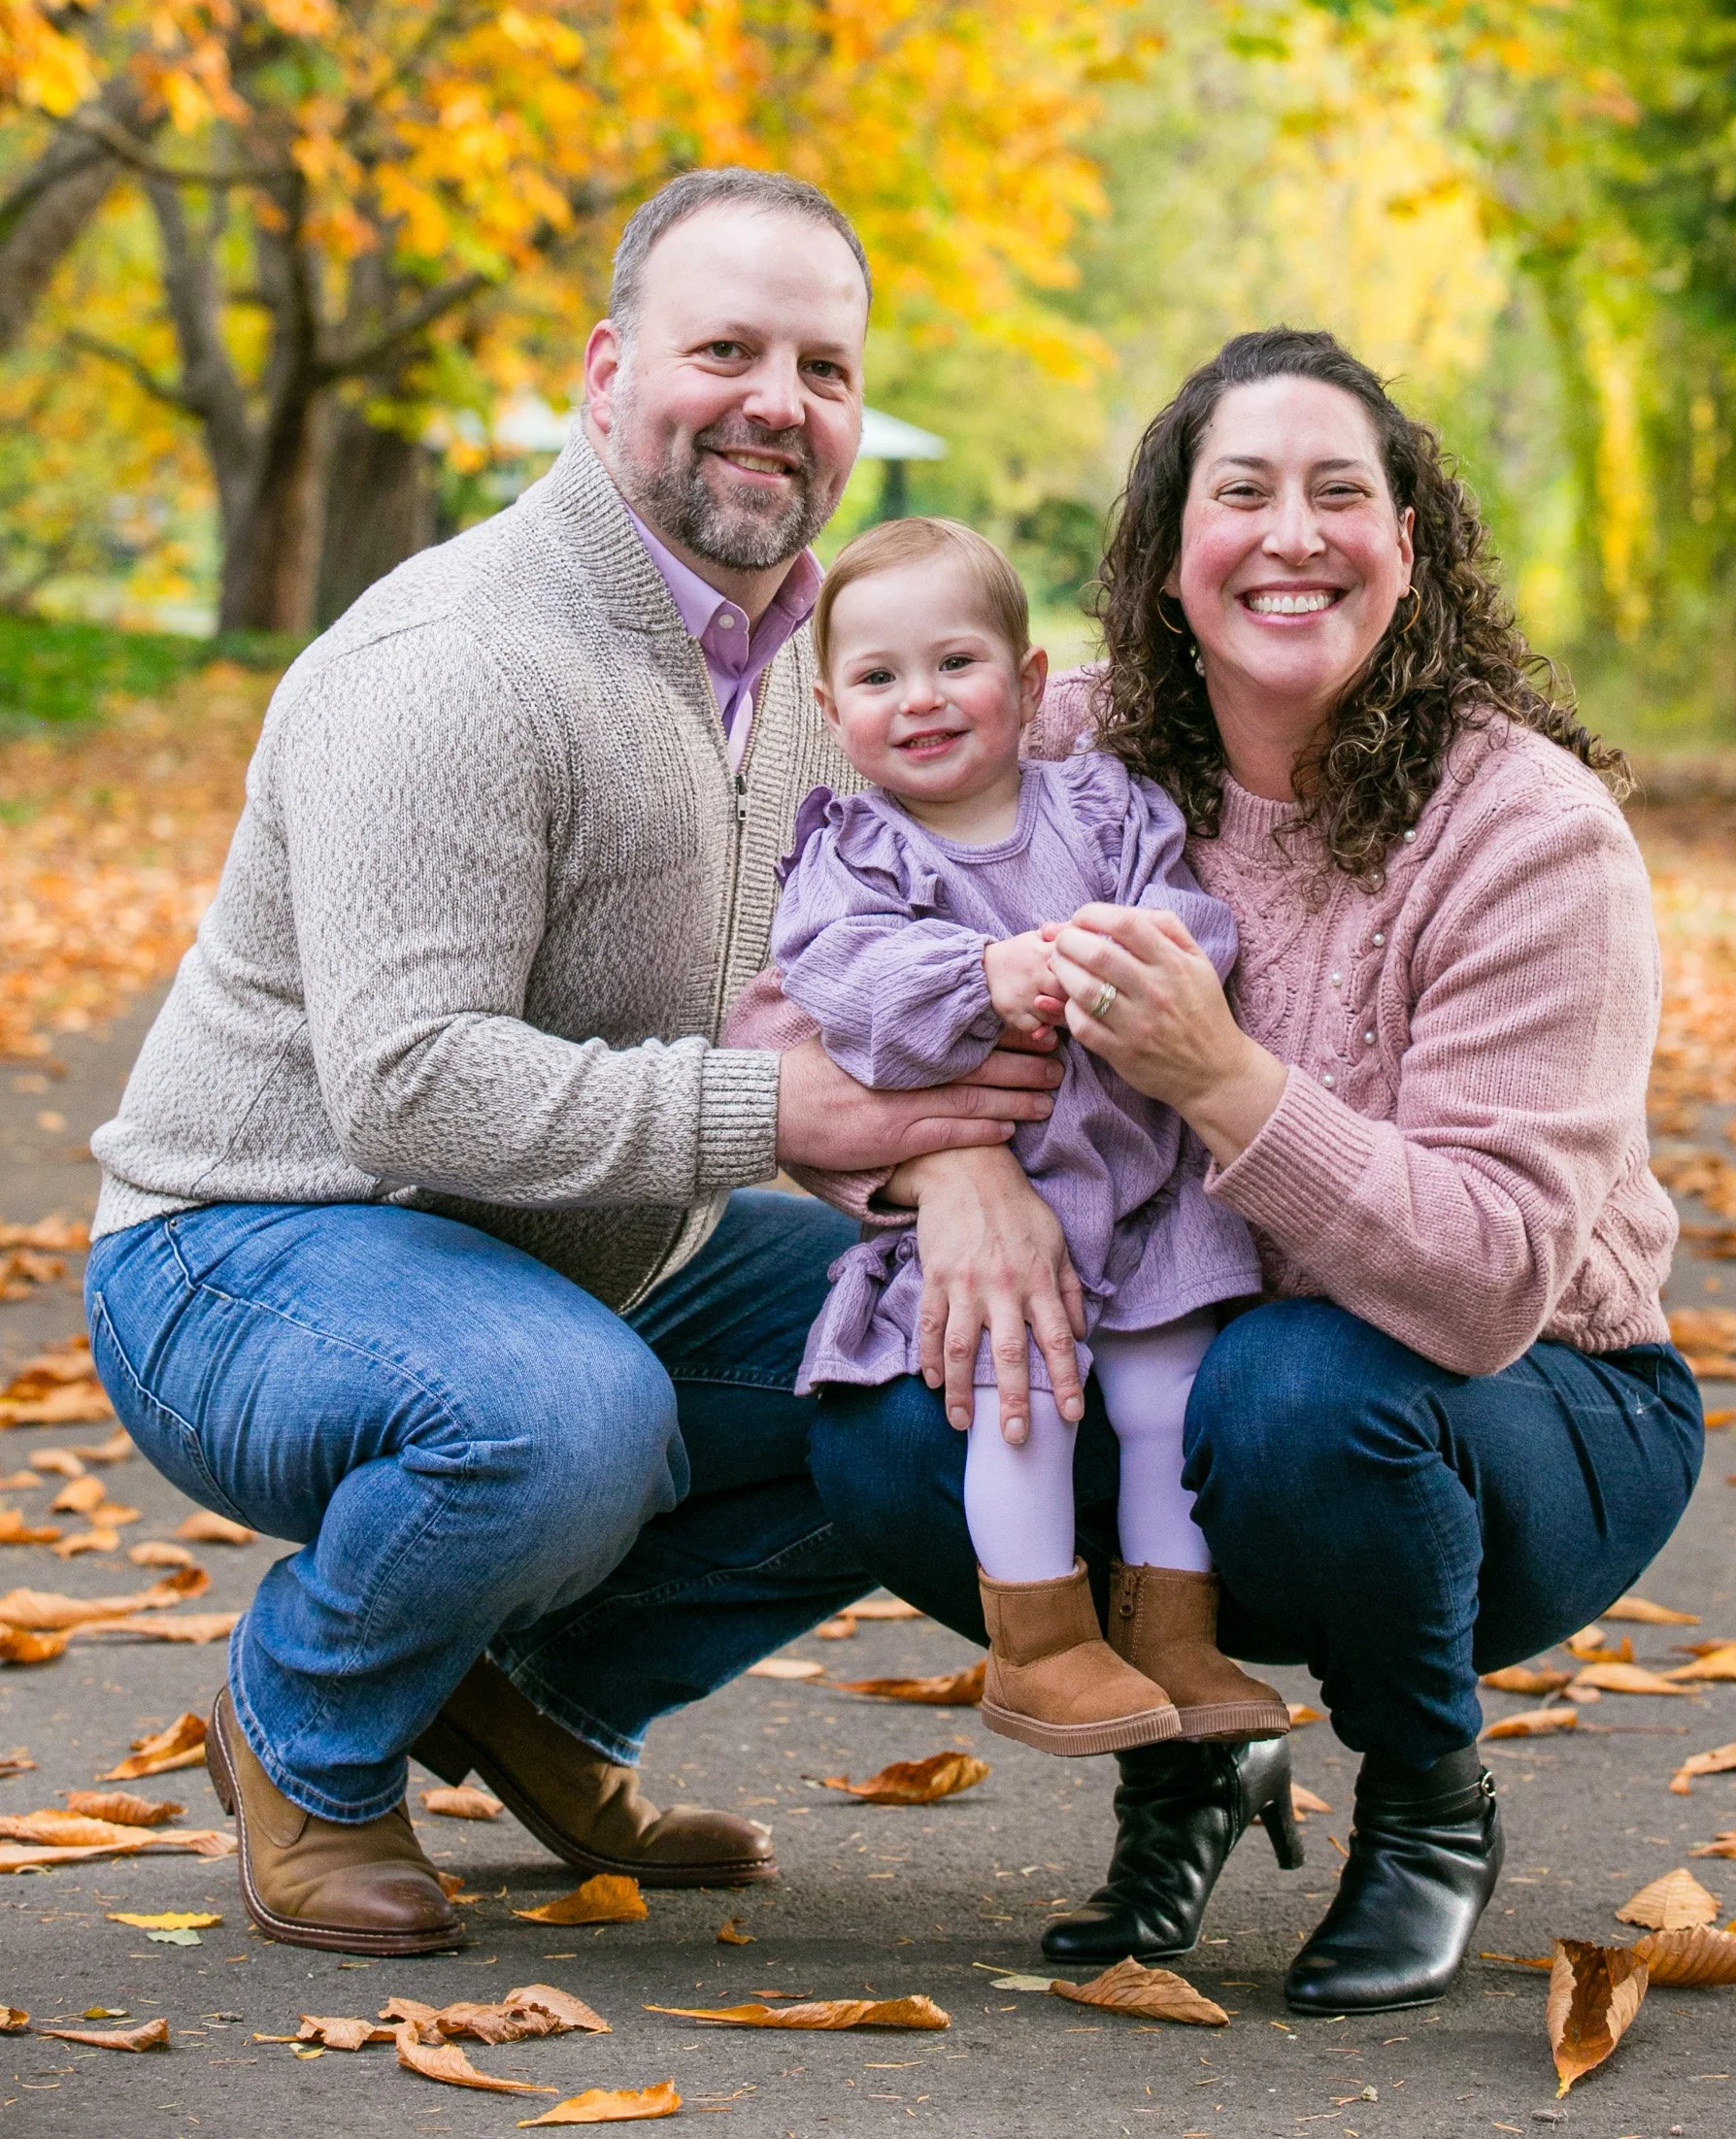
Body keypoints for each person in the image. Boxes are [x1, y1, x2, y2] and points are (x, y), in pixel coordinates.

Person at [82, 167, 1061, 1958]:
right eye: (726, 348)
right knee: (561, 1419)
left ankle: (537, 1702)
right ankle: (303, 1724)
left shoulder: (825, 662)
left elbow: (1057, 764)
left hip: (560, 1258)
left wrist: (961, 1168)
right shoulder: (458, 662)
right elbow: (410, 1085)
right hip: (249, 1250)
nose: (780, 398)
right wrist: (785, 1112)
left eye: (823, 367)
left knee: (942, 1340)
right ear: (607, 373)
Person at [801, 326, 1699, 2016]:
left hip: (1525, 1410)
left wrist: (1222, 1079)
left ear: (1408, 546)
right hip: (1180, 1368)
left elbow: (1492, 1273)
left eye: (1340, 493)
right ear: (1167, 551)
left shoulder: (1523, 829)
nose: (1292, 534)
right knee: (888, 1401)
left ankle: (1429, 1800)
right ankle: (1184, 1748)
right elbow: (791, 988)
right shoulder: (1057, 746)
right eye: (1243, 493)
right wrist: (948, 1173)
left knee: (1288, 1388)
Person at [764, 516, 1290, 1767]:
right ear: (835, 706)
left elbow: (1192, 918)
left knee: (1170, 1398)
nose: (922, 700)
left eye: (957, 663)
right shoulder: (853, 856)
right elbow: (848, 987)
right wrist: (983, 974)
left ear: (1032, 681)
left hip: (1149, 1191)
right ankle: (1040, 1641)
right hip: (1016, 1213)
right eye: (881, 679)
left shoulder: (1104, 808)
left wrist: (1135, 967)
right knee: (1027, 1402)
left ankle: (1171, 1627)